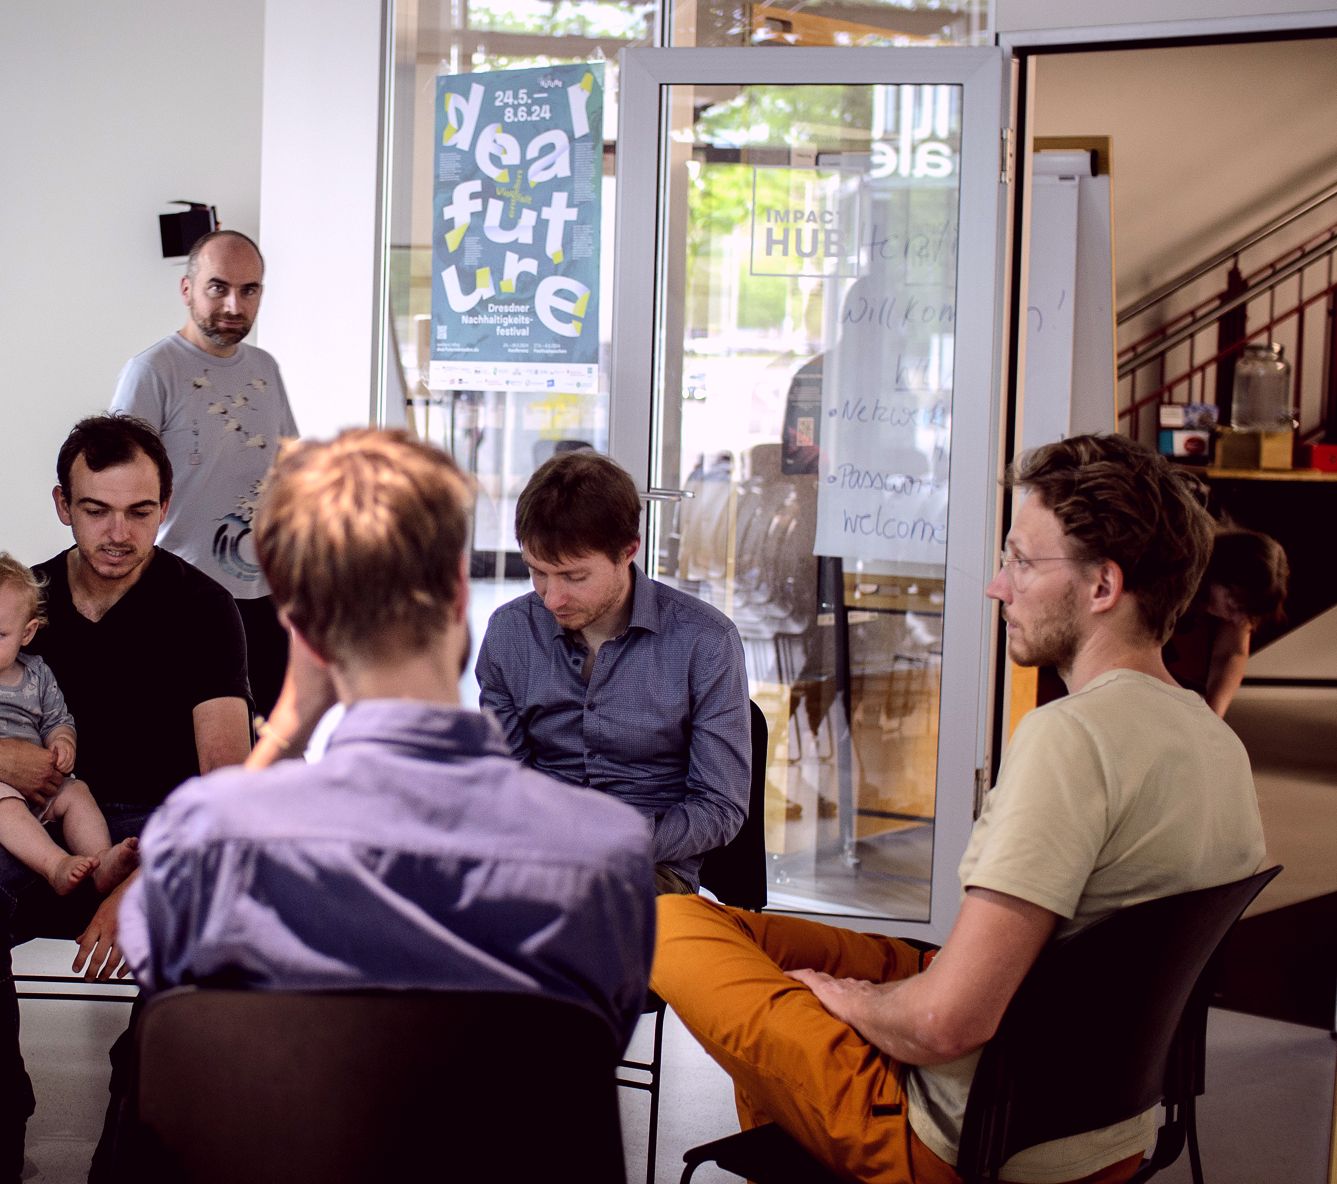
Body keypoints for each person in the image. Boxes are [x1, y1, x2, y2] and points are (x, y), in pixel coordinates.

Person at [652, 433, 1267, 1184]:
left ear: (1102, 586)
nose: (996, 586)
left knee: (664, 920)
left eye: (1020, 561)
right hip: (1106, 1131)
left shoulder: (1069, 740)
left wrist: (855, 1006)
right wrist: (869, 993)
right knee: (747, 937)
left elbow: (948, 1023)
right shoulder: (1214, 741)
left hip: (955, 1136)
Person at [119, 428, 655, 1046]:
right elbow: (594, 1043)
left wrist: (290, 723)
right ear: (460, 592)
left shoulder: (208, 836)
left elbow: (155, 963)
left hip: (292, 1143)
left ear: (301, 628)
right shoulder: (603, 854)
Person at [0, 414, 251, 1183]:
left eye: (140, 512)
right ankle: (3, 1117)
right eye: (95, 510)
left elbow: (226, 781)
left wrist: (144, 881)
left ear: (165, 507)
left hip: (160, 835)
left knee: (198, 945)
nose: (117, 532)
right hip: (34, 830)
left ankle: (128, 1162)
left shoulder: (204, 609)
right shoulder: (19, 608)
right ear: (60, 504)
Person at [475, 449, 751, 895]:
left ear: (628, 551)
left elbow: (719, 807)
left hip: (648, 869)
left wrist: (611, 840)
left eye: (574, 577)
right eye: (537, 572)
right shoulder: (510, 633)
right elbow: (504, 778)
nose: (552, 598)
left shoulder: (705, 641)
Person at [111, 229, 299, 718]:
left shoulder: (266, 367)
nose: (234, 305)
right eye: (218, 287)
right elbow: (115, 485)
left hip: (264, 599)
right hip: (181, 598)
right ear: (187, 289)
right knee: (188, 747)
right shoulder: (153, 371)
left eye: (250, 289)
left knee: (264, 744)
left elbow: (291, 471)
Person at [0, 555, 139, 896]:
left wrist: (63, 741)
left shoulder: (37, 674)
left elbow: (57, 719)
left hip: (43, 787)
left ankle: (100, 860)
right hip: (2, 788)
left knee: (76, 793)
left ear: (27, 633)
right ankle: (55, 864)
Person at [1164, 525, 1288, 717]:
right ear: (1220, 572)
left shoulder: (1242, 598)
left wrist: (1212, 717)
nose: (1238, 619)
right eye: (1235, 606)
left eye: (1246, 614)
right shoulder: (1172, 568)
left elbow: (1232, 653)